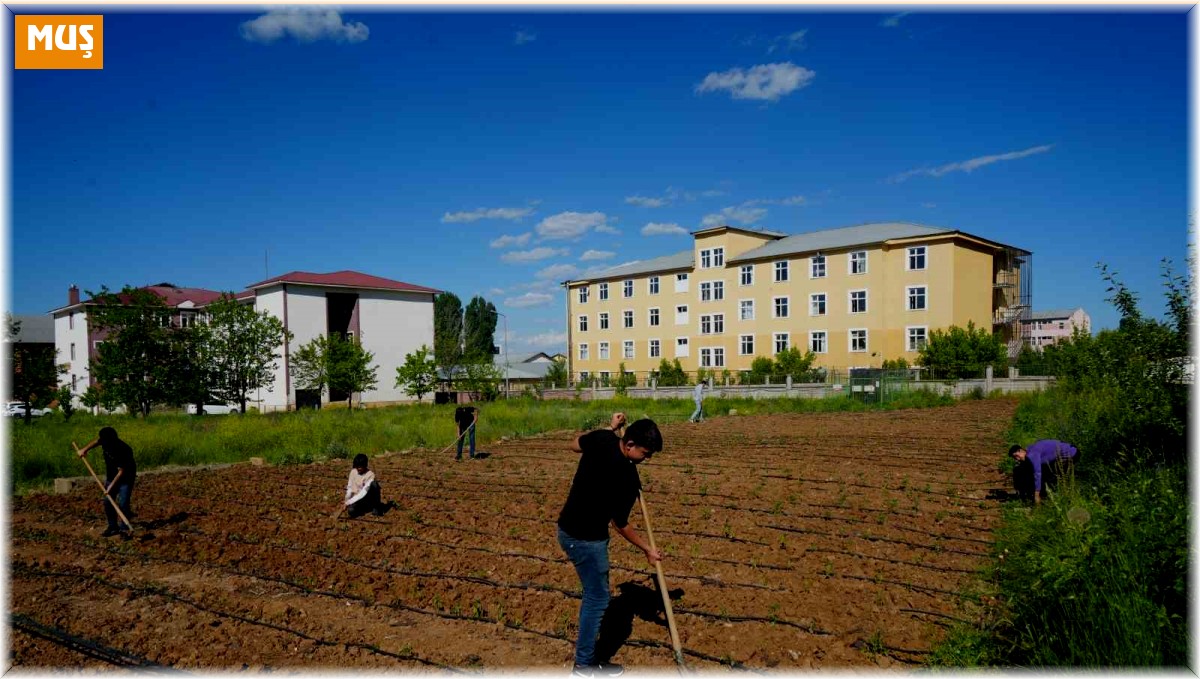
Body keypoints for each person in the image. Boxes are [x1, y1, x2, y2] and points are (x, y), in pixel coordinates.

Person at [557, 412, 664, 676]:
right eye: (645, 453)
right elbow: (620, 524)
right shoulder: (627, 477)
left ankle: (586, 661)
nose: (647, 459)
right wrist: (647, 549)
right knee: (597, 598)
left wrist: (609, 428)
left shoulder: (603, 439)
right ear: (629, 446)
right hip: (587, 540)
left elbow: (574, 444)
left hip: (567, 529)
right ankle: (584, 665)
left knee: (596, 594)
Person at [77, 426, 136, 537]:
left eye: (105, 441)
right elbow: (96, 442)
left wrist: (109, 487)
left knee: (123, 502)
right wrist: (84, 449)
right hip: (111, 475)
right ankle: (112, 527)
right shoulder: (105, 441)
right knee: (108, 502)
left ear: (113, 439)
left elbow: (121, 471)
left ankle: (124, 529)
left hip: (126, 477)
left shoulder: (123, 449)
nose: (103, 443)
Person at [1010, 440, 1079, 504]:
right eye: (1014, 458)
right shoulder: (1029, 449)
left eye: (1016, 456)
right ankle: (1046, 494)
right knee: (1047, 472)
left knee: (1053, 477)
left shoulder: (1032, 455)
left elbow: (1037, 473)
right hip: (1070, 449)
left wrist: (1036, 494)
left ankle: (1055, 498)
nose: (1017, 459)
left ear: (1021, 451)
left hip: (1071, 453)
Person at [344, 453, 386, 518]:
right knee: (351, 511)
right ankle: (363, 508)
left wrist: (349, 502)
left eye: (360, 467)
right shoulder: (353, 472)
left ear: (365, 465)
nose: (359, 469)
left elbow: (363, 492)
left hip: (367, 498)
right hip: (357, 499)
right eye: (357, 466)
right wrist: (346, 500)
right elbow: (350, 487)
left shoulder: (370, 475)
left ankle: (376, 507)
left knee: (374, 484)